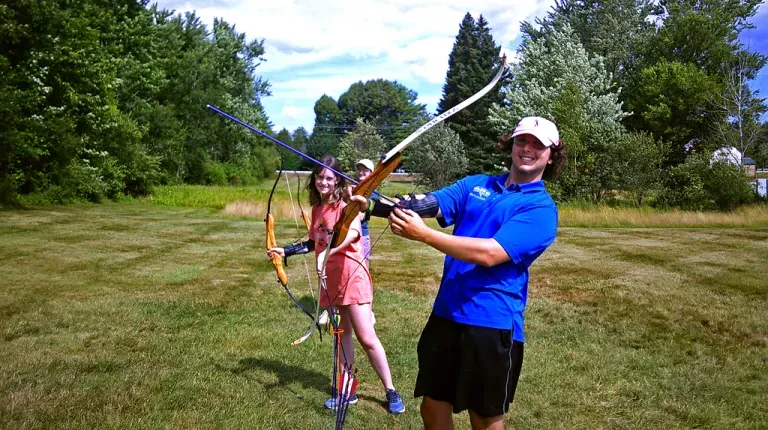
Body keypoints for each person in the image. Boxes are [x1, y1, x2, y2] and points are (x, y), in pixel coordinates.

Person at [363, 117, 567, 429]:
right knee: (432, 405)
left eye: (538, 144)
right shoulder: (476, 184)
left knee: (483, 417)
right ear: (511, 145)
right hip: (446, 314)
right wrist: (368, 203)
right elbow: (426, 204)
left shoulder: (540, 209)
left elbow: (489, 253)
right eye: (521, 140)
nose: (527, 148)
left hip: (491, 324)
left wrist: (425, 236)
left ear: (551, 155)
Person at [266, 155, 405, 415]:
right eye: (320, 177)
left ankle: (390, 390)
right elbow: (313, 242)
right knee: (342, 338)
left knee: (367, 337)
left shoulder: (346, 205)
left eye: (329, 178)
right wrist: (286, 251)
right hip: (331, 279)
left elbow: (352, 233)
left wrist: (327, 253)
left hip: (352, 275)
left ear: (338, 180)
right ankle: (347, 392)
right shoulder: (317, 208)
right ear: (314, 179)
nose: (324, 182)